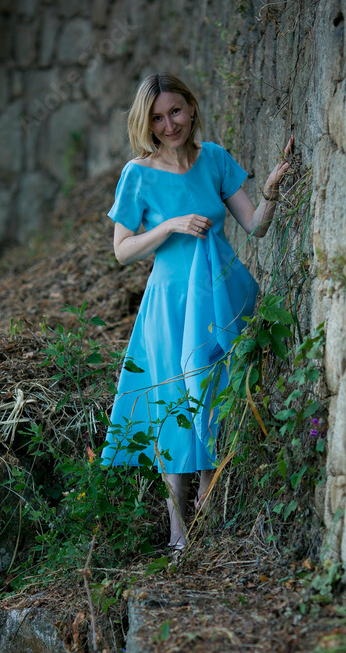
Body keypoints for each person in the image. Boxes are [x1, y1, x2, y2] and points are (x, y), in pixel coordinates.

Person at [101, 72, 294, 551]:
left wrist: (270, 192)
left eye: (176, 111)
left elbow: (255, 226)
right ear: (146, 123)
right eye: (157, 118)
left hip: (218, 297)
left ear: (191, 107)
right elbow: (122, 250)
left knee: (213, 396)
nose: (169, 125)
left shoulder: (215, 159)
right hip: (171, 305)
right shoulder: (138, 174)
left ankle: (207, 517)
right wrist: (169, 225)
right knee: (176, 406)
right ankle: (177, 533)